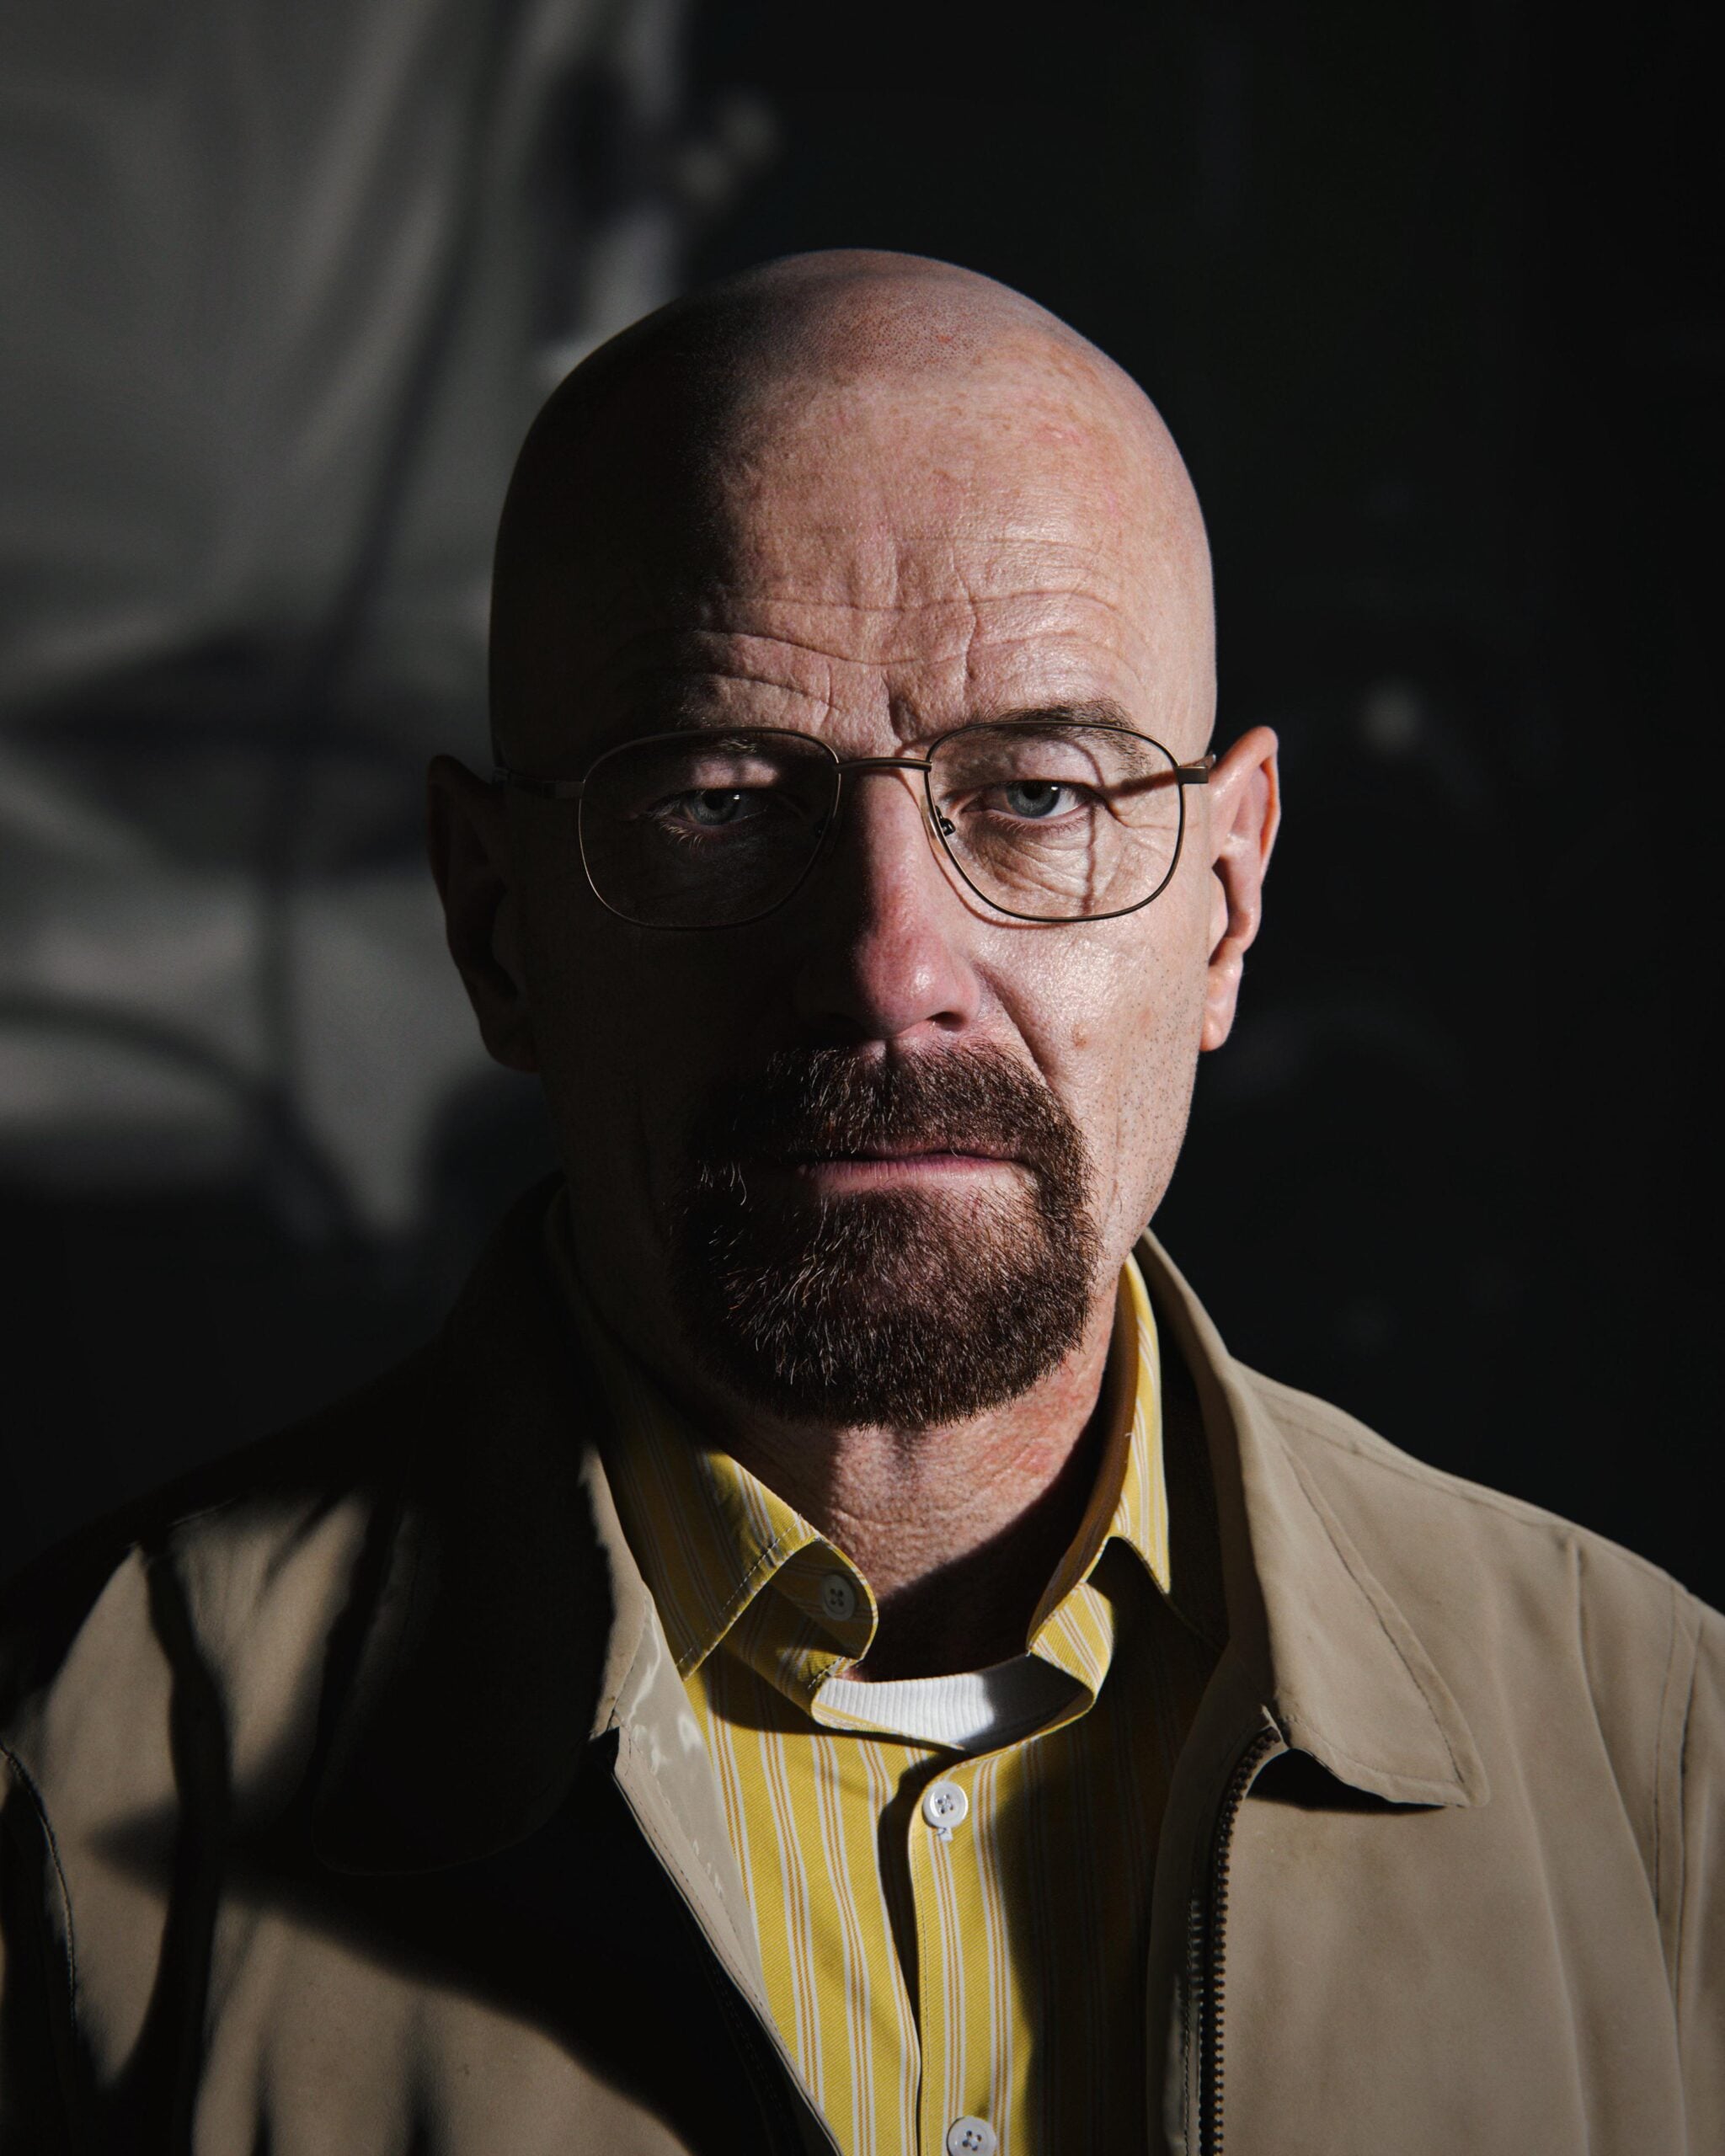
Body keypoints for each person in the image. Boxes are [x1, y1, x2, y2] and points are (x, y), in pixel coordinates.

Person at [0, 251, 1717, 2156]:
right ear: (496, 918)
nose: (892, 956)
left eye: (1043, 794)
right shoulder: (54, 1805)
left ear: (1226, 900)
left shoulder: (1663, 1764)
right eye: (722, 795)